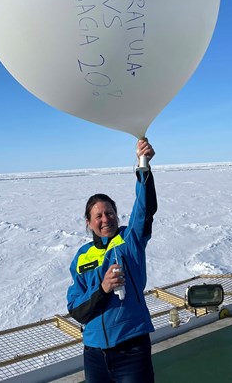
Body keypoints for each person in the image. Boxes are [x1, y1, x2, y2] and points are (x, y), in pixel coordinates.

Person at [67, 139, 157, 383]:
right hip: (94, 354)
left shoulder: (130, 239)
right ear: (88, 222)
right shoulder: (81, 258)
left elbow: (144, 209)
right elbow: (76, 309)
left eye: (109, 213)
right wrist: (103, 288)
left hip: (131, 348)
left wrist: (143, 165)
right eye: (98, 215)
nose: (105, 219)